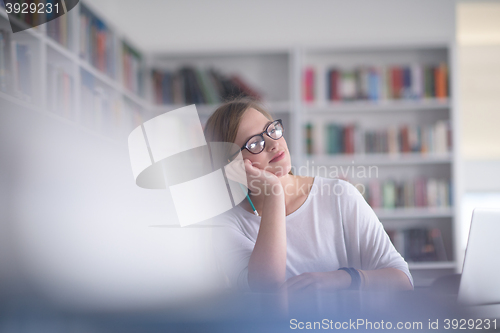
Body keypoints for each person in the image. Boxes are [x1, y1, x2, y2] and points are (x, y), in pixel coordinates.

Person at [204, 97, 414, 293]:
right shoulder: (228, 223)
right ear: (231, 166)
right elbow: (267, 286)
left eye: (271, 130)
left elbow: (403, 281)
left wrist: (342, 279)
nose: (273, 143)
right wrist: (274, 193)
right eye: (255, 143)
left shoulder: (339, 196)